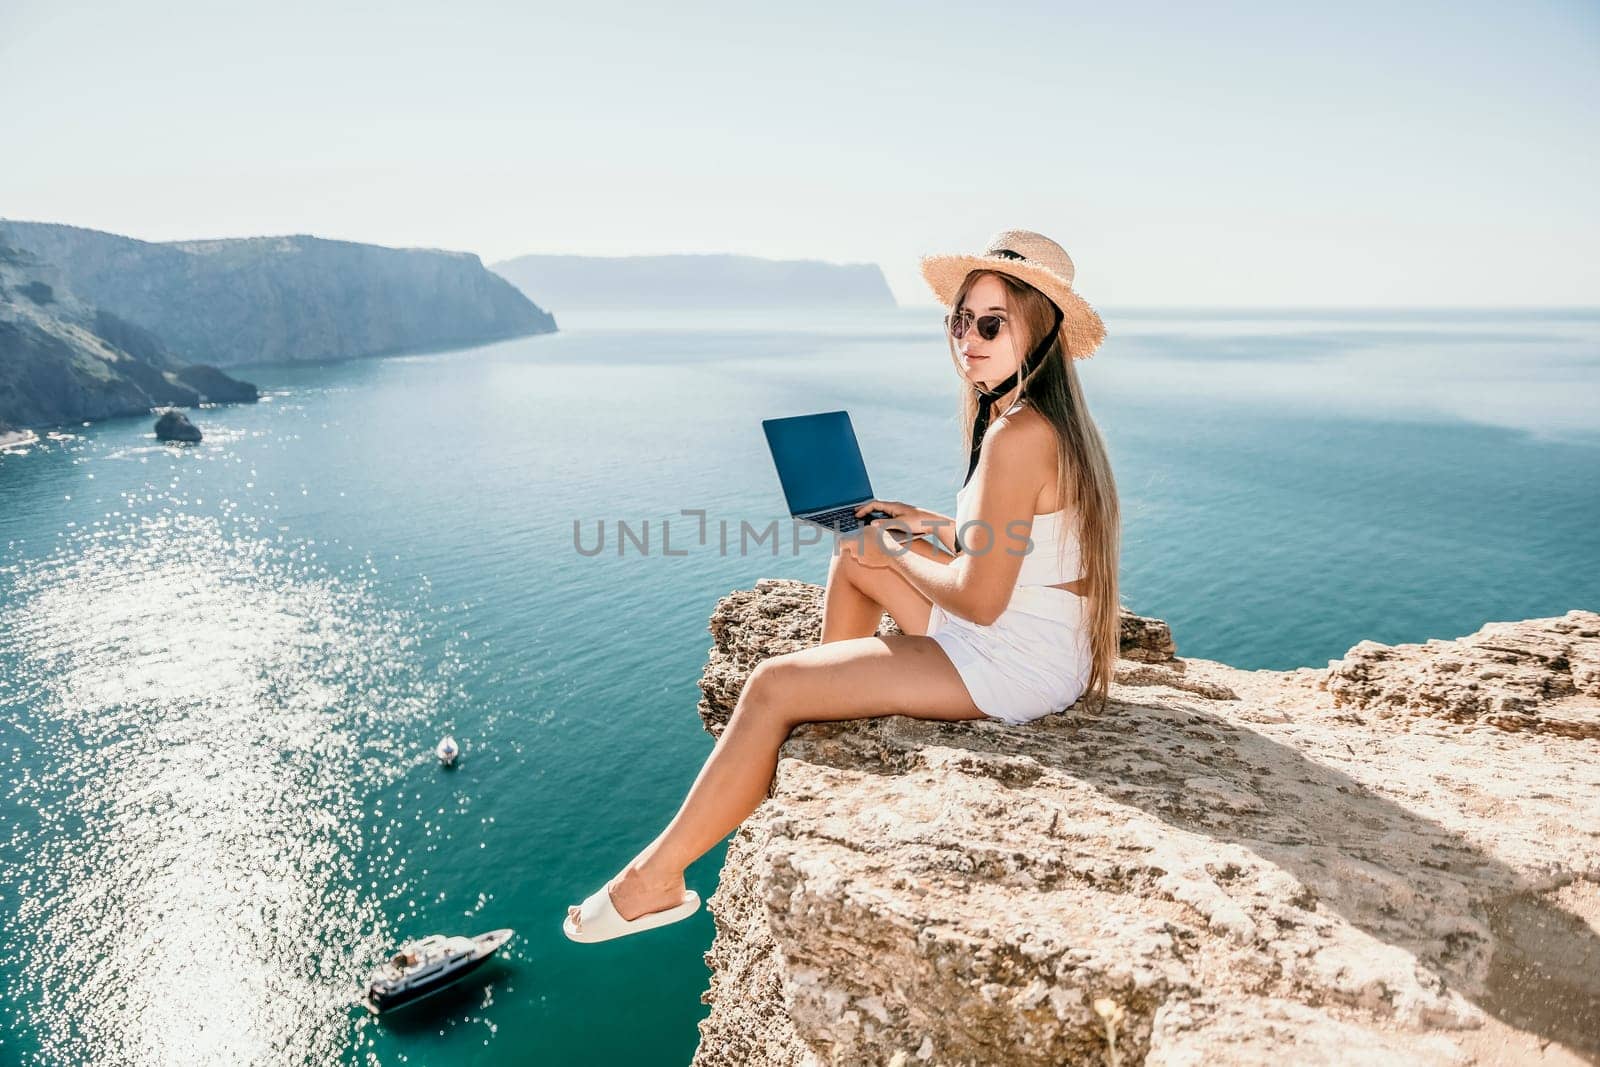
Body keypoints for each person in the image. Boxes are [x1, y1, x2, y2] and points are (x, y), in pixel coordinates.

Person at [564, 229, 1123, 943]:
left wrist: (892, 552)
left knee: (771, 682)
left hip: (1013, 665)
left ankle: (654, 880)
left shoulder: (1015, 436)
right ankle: (831, 695)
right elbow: (1028, 546)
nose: (969, 339)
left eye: (991, 323)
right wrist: (923, 525)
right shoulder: (1042, 421)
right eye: (960, 320)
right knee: (855, 559)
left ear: (1039, 330)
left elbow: (979, 598)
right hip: (1039, 645)